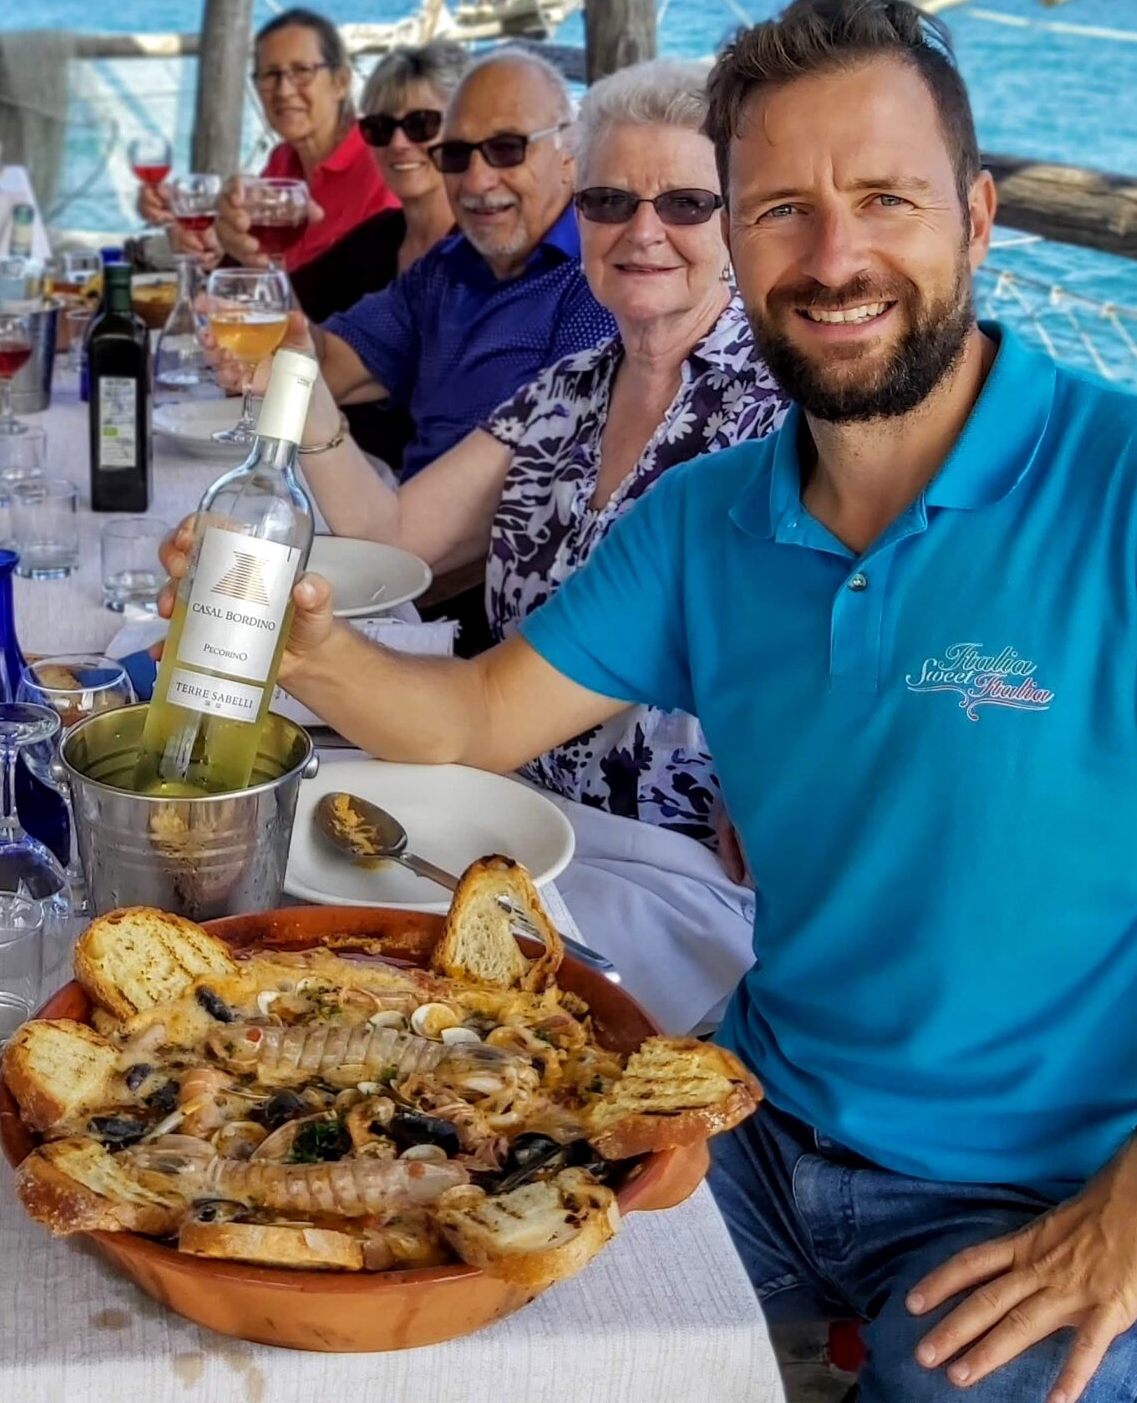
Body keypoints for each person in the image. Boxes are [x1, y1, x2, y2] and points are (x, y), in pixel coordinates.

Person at [168, 0, 1137, 1402]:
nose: (835, 258)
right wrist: (306, 649)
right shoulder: (704, 519)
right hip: (765, 1118)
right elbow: (476, 720)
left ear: (975, 218)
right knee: (396, 1315)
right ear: (739, 238)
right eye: (782, 210)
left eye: (885, 200)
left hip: (1067, 1185)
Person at [289, 57, 784, 1033]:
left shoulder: (779, 412)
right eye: (610, 201)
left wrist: (780, 778)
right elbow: (393, 538)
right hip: (501, 815)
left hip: (674, 870)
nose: (642, 230)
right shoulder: (566, 391)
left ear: (737, 224)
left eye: (685, 203)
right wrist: (299, 397)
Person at [310, 46, 615, 477]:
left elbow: (539, 473)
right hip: (398, 505)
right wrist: (259, 321)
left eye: (506, 149)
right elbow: (329, 365)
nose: (475, 181)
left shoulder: (598, 277)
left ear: (569, 152)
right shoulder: (446, 267)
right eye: (455, 154)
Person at [275, 40, 465, 323]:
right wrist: (246, 246)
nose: (398, 144)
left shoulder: (485, 249)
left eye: (421, 124)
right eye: (380, 128)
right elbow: (287, 305)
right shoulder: (376, 240)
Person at [211, 7, 393, 274]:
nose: (284, 90)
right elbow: (255, 263)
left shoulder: (381, 163)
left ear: (341, 82)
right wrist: (224, 234)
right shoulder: (281, 161)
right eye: (271, 75)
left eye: (302, 71)